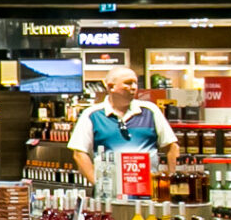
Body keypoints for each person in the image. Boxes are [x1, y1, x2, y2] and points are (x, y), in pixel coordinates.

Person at [69, 66, 179, 194]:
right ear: (111, 87)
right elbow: (79, 154)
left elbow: (172, 147)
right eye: (128, 83)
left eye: (135, 83)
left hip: (147, 192)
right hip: (109, 193)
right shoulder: (92, 114)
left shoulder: (150, 111)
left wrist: (171, 181)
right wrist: (99, 185)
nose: (133, 87)